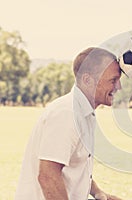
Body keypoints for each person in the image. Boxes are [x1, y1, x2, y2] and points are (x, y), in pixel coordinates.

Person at [15, 47, 123, 200]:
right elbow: (48, 177)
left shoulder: (84, 113)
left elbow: (75, 167)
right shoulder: (67, 114)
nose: (119, 87)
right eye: (113, 80)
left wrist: (98, 192)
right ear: (87, 80)